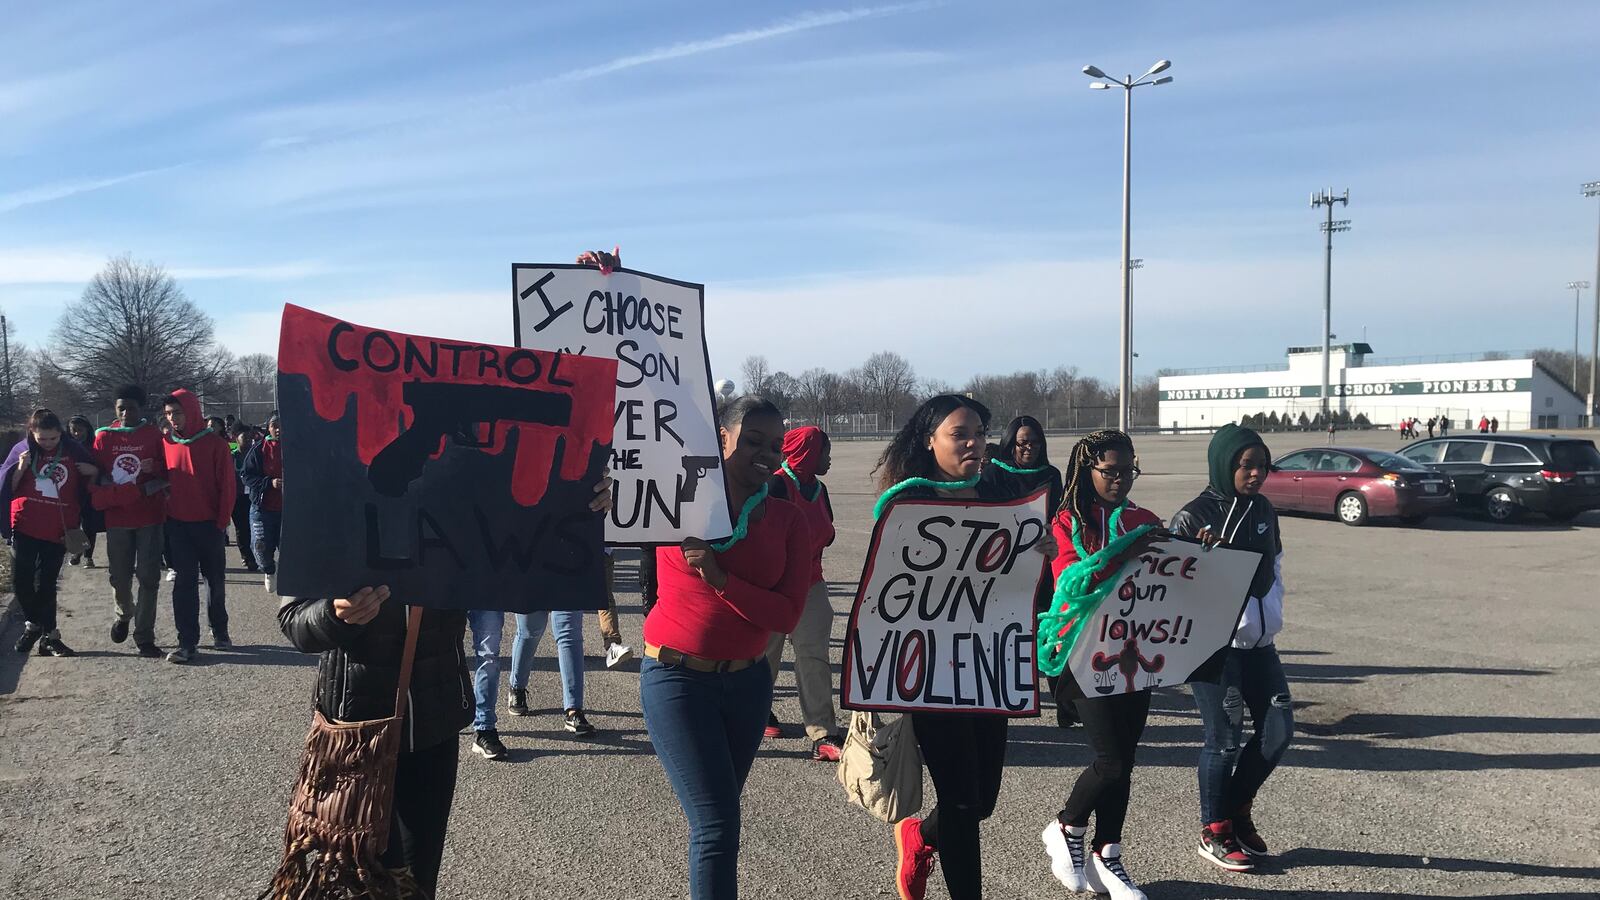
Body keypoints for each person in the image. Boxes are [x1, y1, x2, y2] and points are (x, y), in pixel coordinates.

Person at [276, 479, 613, 894]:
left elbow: (531, 559)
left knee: (418, 880)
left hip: (434, 725)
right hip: (357, 727)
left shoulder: (463, 492)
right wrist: (334, 614)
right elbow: (294, 620)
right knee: (362, 878)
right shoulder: (330, 495)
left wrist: (578, 509)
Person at [884, 395, 1055, 900]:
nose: (974, 442)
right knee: (960, 801)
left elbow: (1014, 588)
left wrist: (1040, 552)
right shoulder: (906, 501)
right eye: (960, 434)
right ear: (929, 441)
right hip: (934, 670)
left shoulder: (1003, 491)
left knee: (981, 802)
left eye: (980, 432)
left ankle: (920, 836)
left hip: (989, 666)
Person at [641, 395, 810, 899]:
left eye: (776, 445)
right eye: (754, 440)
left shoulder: (787, 520)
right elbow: (609, 510)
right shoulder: (673, 498)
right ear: (723, 438)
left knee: (719, 819)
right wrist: (601, 496)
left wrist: (720, 578)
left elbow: (786, 615)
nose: (766, 453)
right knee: (716, 824)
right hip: (676, 679)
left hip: (748, 685)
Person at [1040, 430, 1165, 900]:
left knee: (1126, 761)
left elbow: (1171, 574)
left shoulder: (1144, 519)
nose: (1120, 479)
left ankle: (1107, 855)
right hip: (1081, 653)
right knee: (1110, 761)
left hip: (1135, 653)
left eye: (1128, 470)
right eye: (1109, 470)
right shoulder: (1067, 521)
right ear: (1086, 469)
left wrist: (1197, 549)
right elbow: (1070, 581)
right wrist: (1122, 553)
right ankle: (1066, 826)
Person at [1169, 424, 1292, 874]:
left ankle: (1238, 808)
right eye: (1246, 465)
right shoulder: (1191, 516)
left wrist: (1273, 611)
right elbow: (1171, 588)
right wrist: (1208, 561)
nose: (1256, 474)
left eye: (1262, 465)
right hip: (1214, 646)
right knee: (1223, 740)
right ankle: (1214, 829)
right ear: (1224, 464)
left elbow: (1272, 570)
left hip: (1261, 642)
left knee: (1278, 729)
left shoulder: (1264, 510)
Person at [762, 425, 842, 760]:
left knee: (814, 658)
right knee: (764, 656)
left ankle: (822, 731)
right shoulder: (776, 485)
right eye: (824, 451)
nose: (829, 458)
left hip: (811, 584)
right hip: (774, 585)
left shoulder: (819, 489)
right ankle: (757, 714)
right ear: (808, 453)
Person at [3, 409, 98, 657]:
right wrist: (21, 468)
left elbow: (92, 484)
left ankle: (50, 636)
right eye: (41, 439)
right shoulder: (21, 451)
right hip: (24, 525)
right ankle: (35, 626)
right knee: (21, 583)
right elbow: (7, 488)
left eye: (52, 439)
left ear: (60, 435)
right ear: (31, 433)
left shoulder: (73, 451)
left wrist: (94, 472)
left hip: (58, 527)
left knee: (46, 584)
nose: (46, 444)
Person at [93, 385, 170, 658]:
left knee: (149, 578)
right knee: (119, 576)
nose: (126, 413)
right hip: (117, 518)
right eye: (121, 408)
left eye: (131, 408)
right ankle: (124, 613)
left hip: (149, 516)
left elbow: (170, 473)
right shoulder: (103, 438)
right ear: (115, 409)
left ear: (141, 409)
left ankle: (144, 636)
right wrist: (109, 489)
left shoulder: (154, 436)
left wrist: (155, 471)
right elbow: (96, 474)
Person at [161, 390, 238, 663]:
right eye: (169, 414)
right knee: (183, 583)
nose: (173, 419)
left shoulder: (215, 444)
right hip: (178, 525)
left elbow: (228, 486)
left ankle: (219, 628)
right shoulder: (166, 443)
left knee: (214, 581)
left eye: (178, 413)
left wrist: (221, 522)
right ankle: (187, 642)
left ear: (192, 411)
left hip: (209, 525)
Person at [242, 414, 283, 592]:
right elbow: (246, 475)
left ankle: (288, 576)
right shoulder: (259, 449)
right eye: (275, 425)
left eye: (283, 425)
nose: (279, 429)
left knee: (290, 547)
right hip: (262, 507)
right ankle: (268, 569)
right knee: (260, 544)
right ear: (269, 428)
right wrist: (269, 483)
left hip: (290, 510)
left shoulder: (298, 447)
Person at [65, 416, 102, 568]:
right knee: (73, 523)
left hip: (89, 489)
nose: (76, 434)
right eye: (73, 430)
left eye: (80, 430)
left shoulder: (94, 447)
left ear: (87, 429)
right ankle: (77, 550)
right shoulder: (66, 447)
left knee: (89, 524)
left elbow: (100, 466)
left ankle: (88, 556)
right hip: (71, 490)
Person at [226, 422, 259, 572]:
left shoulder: (255, 455)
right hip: (236, 497)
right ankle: (247, 556)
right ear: (235, 438)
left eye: (249, 438)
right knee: (241, 528)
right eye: (243, 437)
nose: (247, 440)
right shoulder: (231, 457)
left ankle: (255, 554)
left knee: (254, 527)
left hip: (253, 497)